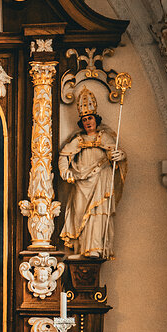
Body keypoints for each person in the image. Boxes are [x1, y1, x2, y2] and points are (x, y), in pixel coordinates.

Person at [58, 87, 127, 259]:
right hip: (81, 182)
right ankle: (81, 248)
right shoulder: (78, 140)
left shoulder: (105, 138)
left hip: (100, 181)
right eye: (84, 119)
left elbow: (116, 155)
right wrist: (65, 171)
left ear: (96, 119)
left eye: (90, 118)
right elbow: (64, 156)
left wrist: (120, 156)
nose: (88, 122)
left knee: (98, 213)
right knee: (80, 214)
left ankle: (95, 248)